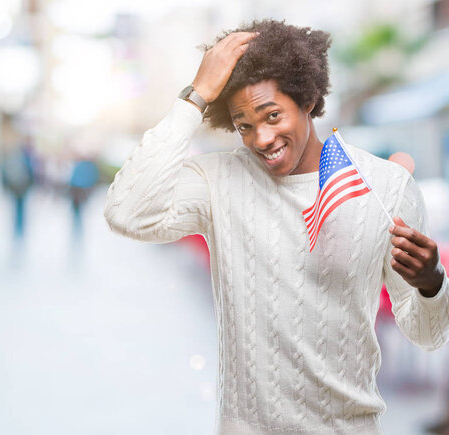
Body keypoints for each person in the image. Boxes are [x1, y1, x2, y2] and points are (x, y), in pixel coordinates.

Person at [103, 19, 449, 434]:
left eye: (272, 115)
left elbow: (428, 335)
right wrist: (194, 97)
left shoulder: (387, 187)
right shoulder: (219, 180)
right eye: (244, 125)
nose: (261, 138)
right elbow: (125, 211)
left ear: (307, 99)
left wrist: (431, 283)